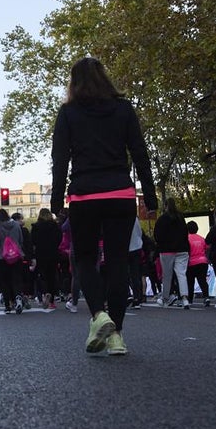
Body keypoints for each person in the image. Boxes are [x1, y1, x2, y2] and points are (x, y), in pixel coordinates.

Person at [50, 56, 157, 355]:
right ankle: (117, 336)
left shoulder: (68, 112)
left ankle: (99, 315)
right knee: (118, 262)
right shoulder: (123, 109)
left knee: (85, 260)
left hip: (85, 195)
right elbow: (140, 153)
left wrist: (56, 200)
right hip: (120, 193)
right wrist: (150, 197)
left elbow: (60, 158)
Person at [153, 198, 190, 309]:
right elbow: (185, 233)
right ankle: (185, 299)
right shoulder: (180, 217)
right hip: (182, 250)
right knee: (181, 274)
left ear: (165, 206)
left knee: (167, 275)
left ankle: (165, 298)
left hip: (166, 251)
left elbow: (157, 236)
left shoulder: (162, 219)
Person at [0, 208, 26, 315]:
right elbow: (21, 240)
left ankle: (7, 305)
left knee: (4, 282)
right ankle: (18, 297)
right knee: (16, 279)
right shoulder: (16, 225)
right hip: (16, 257)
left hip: (3, 258)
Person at [30, 208, 61, 310]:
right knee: (52, 275)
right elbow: (59, 238)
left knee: (42, 275)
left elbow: (33, 241)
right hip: (53, 253)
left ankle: (45, 292)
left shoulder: (36, 226)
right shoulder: (55, 226)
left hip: (41, 253)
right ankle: (51, 301)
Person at [185, 221, 211, 307]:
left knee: (190, 282)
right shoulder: (202, 238)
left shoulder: (187, 239)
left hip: (191, 262)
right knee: (202, 281)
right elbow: (207, 248)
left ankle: (190, 300)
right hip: (203, 262)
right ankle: (206, 297)